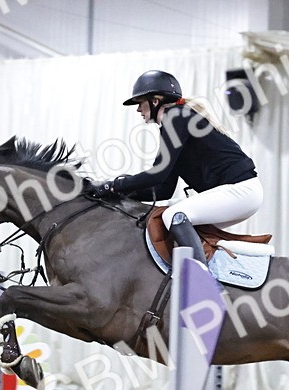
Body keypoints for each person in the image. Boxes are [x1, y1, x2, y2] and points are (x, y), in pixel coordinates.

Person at [94, 70, 262, 263]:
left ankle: (200, 280)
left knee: (175, 215)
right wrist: (121, 195)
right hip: (237, 193)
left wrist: (113, 186)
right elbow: (162, 188)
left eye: (140, 102)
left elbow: (156, 174)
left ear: (155, 101)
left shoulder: (176, 117)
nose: (138, 109)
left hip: (241, 192)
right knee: (168, 213)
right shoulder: (176, 122)